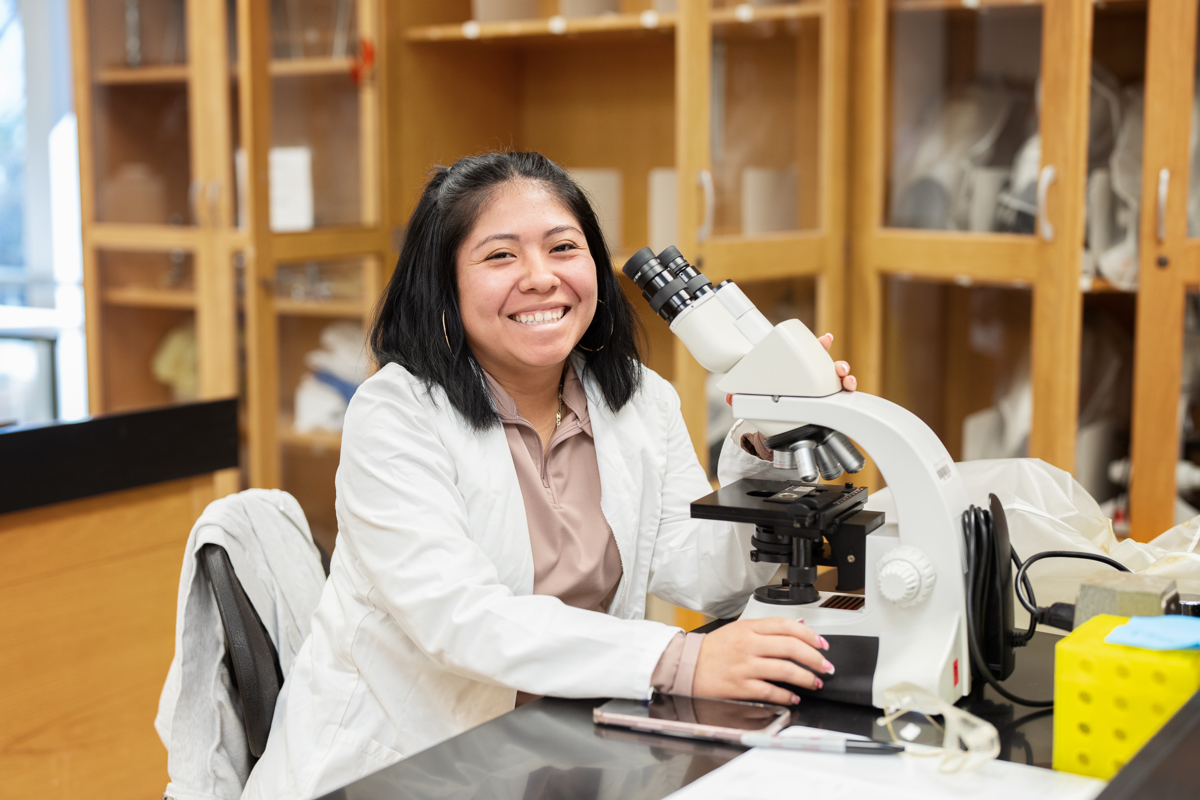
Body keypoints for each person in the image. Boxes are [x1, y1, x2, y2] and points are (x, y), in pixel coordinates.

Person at [241, 152, 856, 799]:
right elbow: (462, 618)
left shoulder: (641, 401)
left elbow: (702, 573)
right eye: (500, 256)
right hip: (405, 762)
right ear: (444, 285)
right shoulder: (396, 414)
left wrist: (766, 442)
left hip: (563, 746)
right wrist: (680, 659)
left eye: (564, 247)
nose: (541, 278)